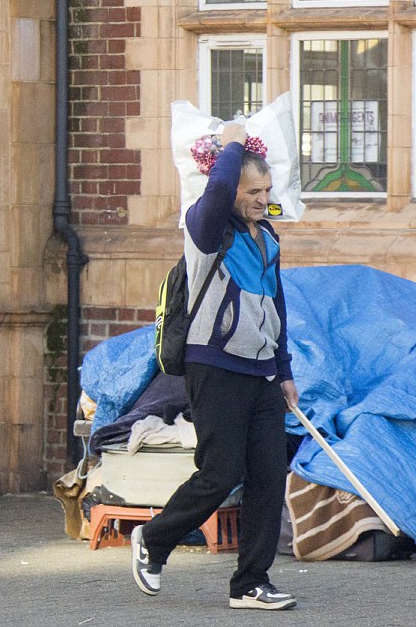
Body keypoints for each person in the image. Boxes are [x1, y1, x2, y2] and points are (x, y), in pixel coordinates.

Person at [131, 121, 300, 611]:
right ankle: (154, 540)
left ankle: (251, 583)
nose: (261, 198)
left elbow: (277, 308)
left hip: (263, 373)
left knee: (270, 476)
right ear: (228, 191)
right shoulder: (205, 231)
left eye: (267, 190)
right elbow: (220, 186)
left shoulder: (267, 239)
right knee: (220, 471)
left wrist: (284, 369)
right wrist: (232, 142)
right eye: (252, 190)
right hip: (216, 368)